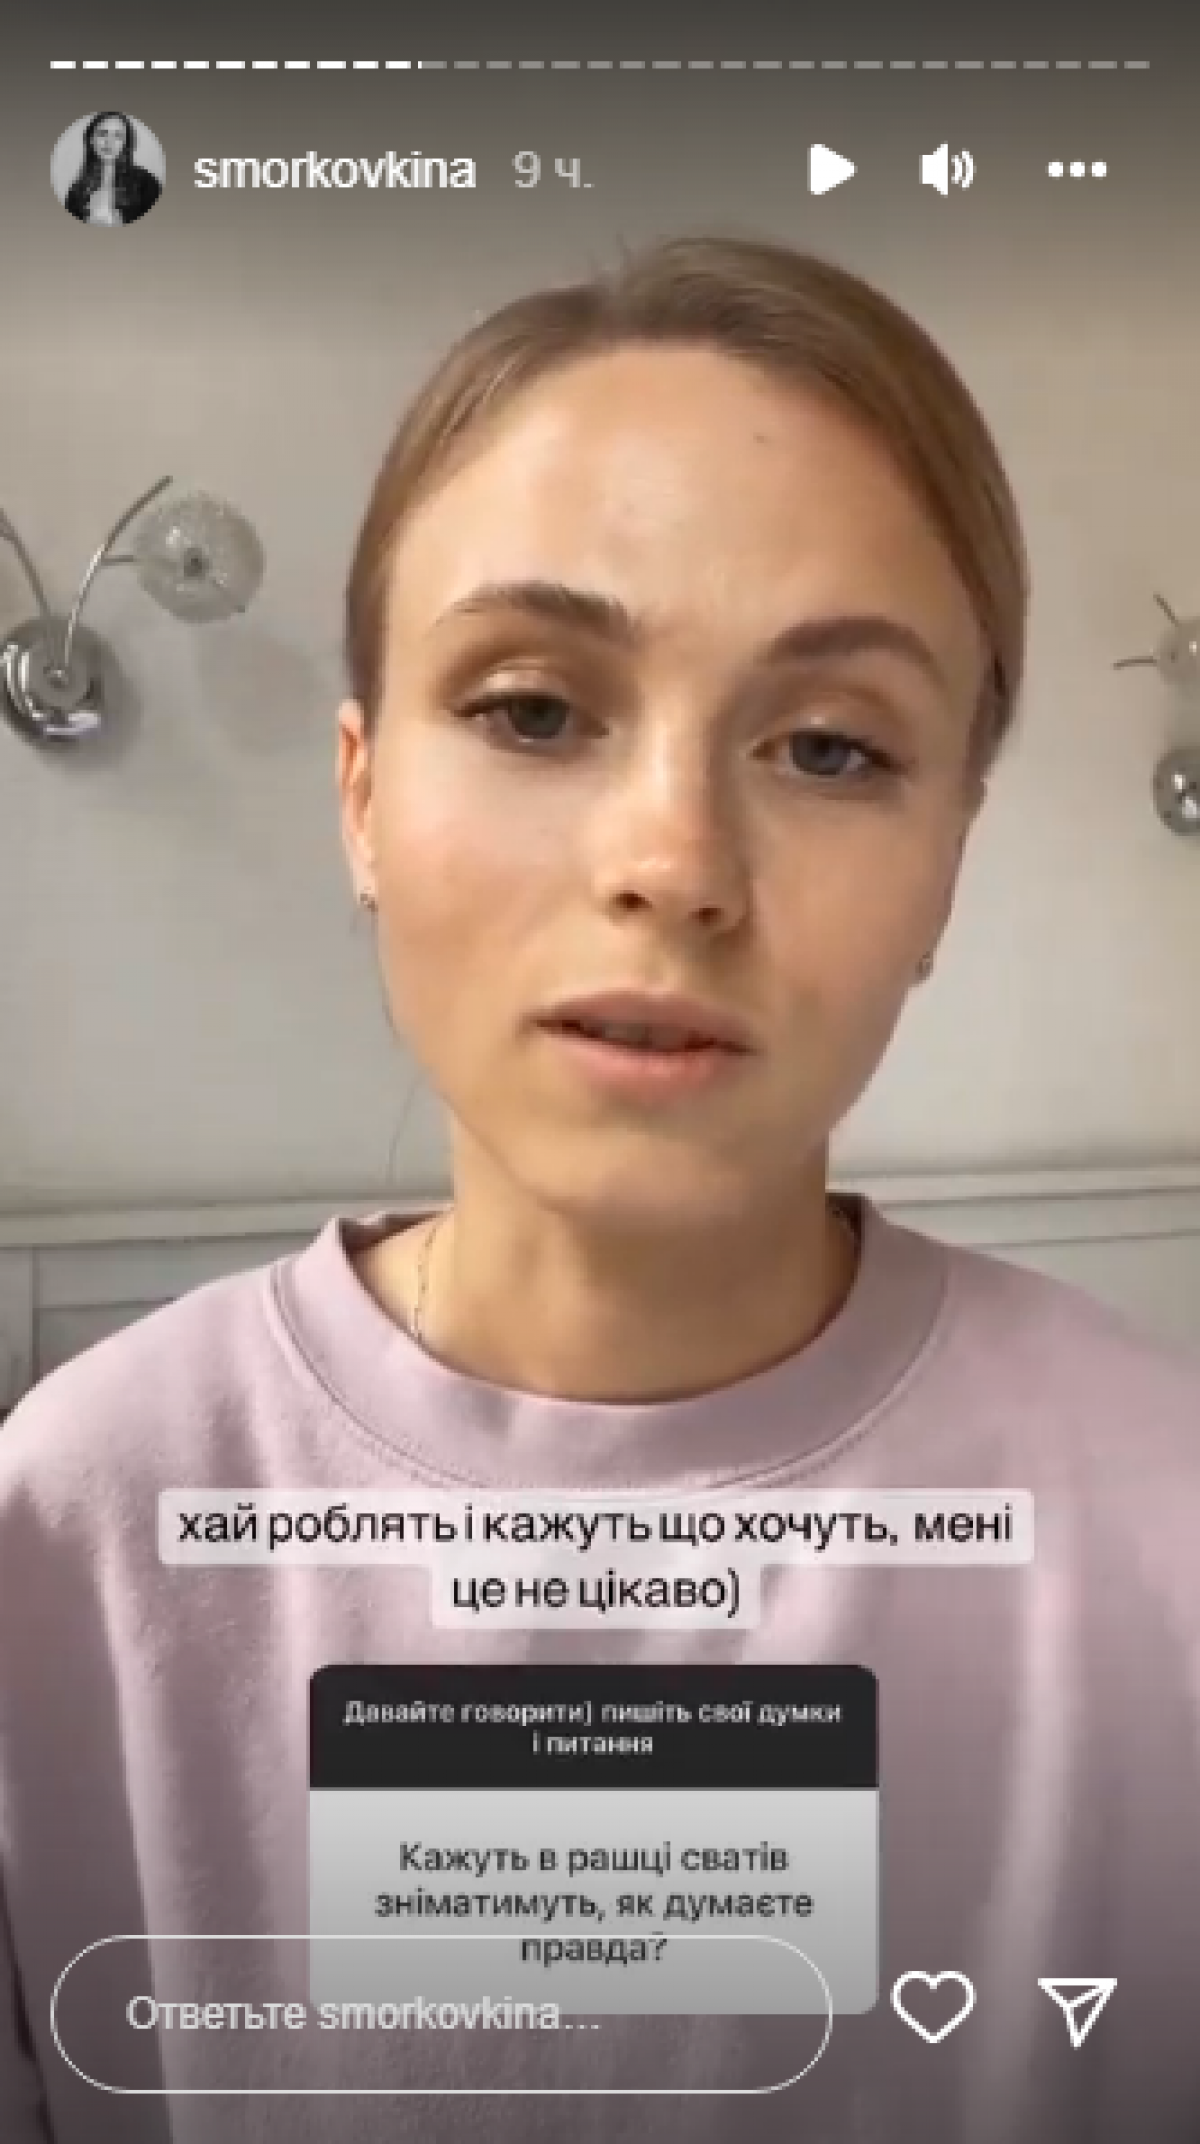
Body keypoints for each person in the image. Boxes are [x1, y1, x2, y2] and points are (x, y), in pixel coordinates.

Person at [1, 231, 1199, 2144]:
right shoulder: (67, 1529)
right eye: (535, 710)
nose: (675, 861)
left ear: (949, 865)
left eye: (830, 744)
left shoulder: (1166, 1522)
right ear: (361, 793)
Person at [64, 111, 160, 227]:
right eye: (103, 134)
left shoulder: (147, 184)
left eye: (118, 136)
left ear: (125, 143)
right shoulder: (75, 192)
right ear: (91, 140)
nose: (109, 142)